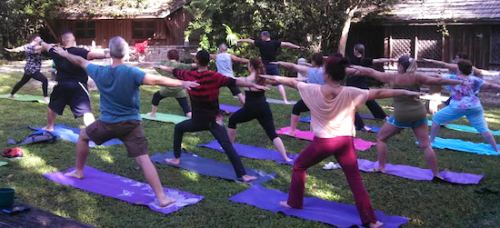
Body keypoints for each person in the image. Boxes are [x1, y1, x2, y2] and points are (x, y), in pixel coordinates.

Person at [260, 56, 424, 228]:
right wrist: (405, 92)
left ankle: (294, 202)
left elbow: (291, 82)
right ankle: (371, 220)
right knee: (355, 180)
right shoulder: (351, 92)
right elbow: (380, 93)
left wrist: (272, 78)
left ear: (327, 75)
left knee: (299, 165)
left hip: (324, 142)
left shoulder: (313, 89)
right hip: (345, 142)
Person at [52, 36, 200, 207]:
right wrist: (182, 82)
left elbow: (78, 60)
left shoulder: (99, 71)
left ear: (110, 53)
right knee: (144, 159)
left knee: (84, 136)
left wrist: (63, 53)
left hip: (107, 124)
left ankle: (78, 171)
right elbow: (157, 80)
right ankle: (162, 197)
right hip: (131, 125)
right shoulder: (131, 72)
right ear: (126, 54)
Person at [154, 50, 269, 182]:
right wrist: (252, 84)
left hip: (198, 121)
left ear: (196, 61)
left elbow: (173, 70)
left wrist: (159, 66)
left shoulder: (189, 75)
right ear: (209, 62)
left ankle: (176, 158)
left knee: (179, 128)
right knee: (227, 146)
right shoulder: (215, 76)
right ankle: (243, 175)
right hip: (214, 121)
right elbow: (234, 82)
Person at [350, 55, 467, 178]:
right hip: (419, 114)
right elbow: (439, 81)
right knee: (426, 145)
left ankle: (382, 167)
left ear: (400, 66)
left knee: (380, 138)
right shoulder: (417, 76)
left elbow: (370, 71)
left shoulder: (393, 77)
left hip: (402, 115)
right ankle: (436, 174)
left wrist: (352, 67)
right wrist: (461, 81)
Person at [39, 31, 110, 131]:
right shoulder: (80, 51)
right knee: (86, 111)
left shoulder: (57, 51)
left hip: (61, 84)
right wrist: (111, 54)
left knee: (52, 106)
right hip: (78, 85)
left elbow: (47, 47)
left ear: (63, 40)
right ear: (74, 39)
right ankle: (93, 132)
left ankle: (49, 126)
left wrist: (40, 41)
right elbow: (92, 55)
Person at [227, 58, 293, 162]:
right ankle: (286, 158)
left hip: (250, 109)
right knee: (272, 134)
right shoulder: (263, 79)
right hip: (264, 108)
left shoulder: (244, 80)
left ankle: (229, 147)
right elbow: (277, 80)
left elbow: (229, 80)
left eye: (248, 65)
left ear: (251, 67)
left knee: (232, 120)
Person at [430, 60, 500, 152]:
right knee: (483, 129)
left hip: (458, 107)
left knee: (436, 118)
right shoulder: (475, 79)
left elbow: (439, 78)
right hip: (475, 107)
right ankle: (496, 148)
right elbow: (490, 85)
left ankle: (431, 140)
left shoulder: (452, 77)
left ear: (458, 69)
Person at [238, 31, 304, 104]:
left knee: (258, 81)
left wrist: (240, 40)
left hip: (263, 66)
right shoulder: (275, 43)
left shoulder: (260, 43)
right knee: (279, 83)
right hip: (273, 65)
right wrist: (297, 47)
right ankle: (285, 100)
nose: (261, 38)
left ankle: (256, 99)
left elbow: (249, 41)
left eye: (261, 36)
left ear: (264, 36)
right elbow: (287, 44)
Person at [270, 53, 325, 135]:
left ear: (313, 61)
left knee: (296, 109)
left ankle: (292, 131)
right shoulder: (326, 72)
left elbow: (292, 66)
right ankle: (316, 131)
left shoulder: (307, 70)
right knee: (315, 113)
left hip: (310, 100)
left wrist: (280, 63)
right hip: (323, 101)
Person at [348, 44, 394, 132]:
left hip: (353, 85)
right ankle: (383, 116)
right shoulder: (365, 60)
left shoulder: (351, 60)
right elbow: (379, 60)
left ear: (356, 51)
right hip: (361, 85)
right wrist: (391, 59)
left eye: (354, 50)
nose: (353, 51)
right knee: (370, 101)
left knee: (350, 104)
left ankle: (360, 123)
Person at [141, 49, 196, 118]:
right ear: (177, 56)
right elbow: (192, 66)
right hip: (179, 90)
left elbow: (156, 66)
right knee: (185, 107)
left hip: (166, 90)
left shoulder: (164, 64)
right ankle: (191, 116)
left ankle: (153, 114)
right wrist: (201, 61)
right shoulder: (180, 65)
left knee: (156, 97)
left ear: (168, 56)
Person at [4, 34, 49, 102]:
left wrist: (10, 50)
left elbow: (18, 49)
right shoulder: (31, 47)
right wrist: (51, 45)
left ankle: (11, 94)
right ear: (34, 40)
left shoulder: (26, 46)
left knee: (22, 82)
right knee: (44, 80)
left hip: (29, 68)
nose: (40, 41)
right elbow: (42, 48)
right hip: (32, 69)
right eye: (39, 40)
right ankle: (46, 97)